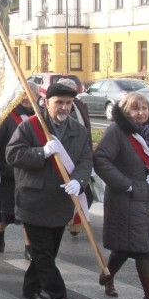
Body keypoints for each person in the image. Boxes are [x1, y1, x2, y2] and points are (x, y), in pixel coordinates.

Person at [6, 83, 92, 299]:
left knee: (49, 252)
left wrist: (79, 181)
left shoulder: (79, 131)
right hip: (33, 199)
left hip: (61, 201)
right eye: (59, 103)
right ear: (46, 102)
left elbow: (86, 160)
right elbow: (12, 154)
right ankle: (59, 296)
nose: (64, 107)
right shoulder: (30, 127)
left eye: (68, 103)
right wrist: (40, 152)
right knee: (43, 252)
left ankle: (31, 286)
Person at [93, 92, 149, 299]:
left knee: (127, 246)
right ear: (126, 112)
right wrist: (125, 185)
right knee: (144, 248)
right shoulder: (117, 132)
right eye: (135, 109)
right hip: (126, 199)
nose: (141, 113)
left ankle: (107, 275)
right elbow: (100, 159)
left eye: (144, 108)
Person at [0, 82, 38, 260]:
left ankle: (28, 247)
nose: (26, 97)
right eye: (23, 93)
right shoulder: (7, 116)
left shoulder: (42, 116)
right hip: (8, 174)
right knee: (5, 214)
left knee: (28, 214)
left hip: (30, 174)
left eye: (30, 93)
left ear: (37, 95)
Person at [56, 77, 94, 236]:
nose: (65, 106)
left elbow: (86, 128)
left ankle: (75, 220)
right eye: (61, 100)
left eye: (69, 100)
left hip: (79, 152)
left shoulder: (80, 106)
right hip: (62, 155)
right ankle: (70, 218)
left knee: (86, 193)